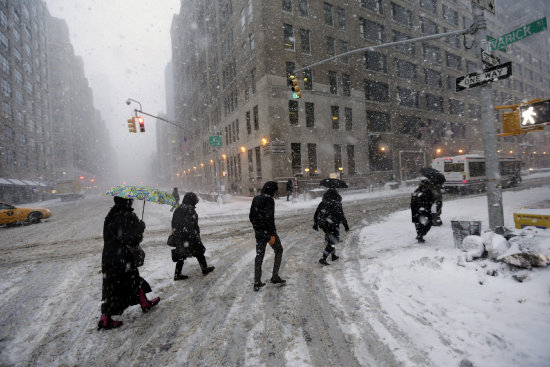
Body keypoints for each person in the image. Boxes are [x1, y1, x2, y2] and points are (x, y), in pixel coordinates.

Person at [98, 196, 160, 330]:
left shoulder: (112, 215)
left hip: (110, 257)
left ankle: (145, 303)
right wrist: (140, 228)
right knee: (118, 287)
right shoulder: (123, 216)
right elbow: (130, 239)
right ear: (126, 202)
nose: (132, 201)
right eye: (130, 200)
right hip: (121, 258)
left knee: (126, 282)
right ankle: (105, 320)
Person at [249, 181, 286, 291]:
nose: (275, 192)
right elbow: (269, 218)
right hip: (269, 233)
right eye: (275, 190)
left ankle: (257, 281)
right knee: (279, 250)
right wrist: (271, 233)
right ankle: (275, 276)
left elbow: (251, 216)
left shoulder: (256, 198)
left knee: (259, 255)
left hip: (259, 233)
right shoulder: (269, 200)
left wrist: (258, 229)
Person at [171, 192, 215, 280]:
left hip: (180, 237)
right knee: (199, 253)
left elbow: (173, 223)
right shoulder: (190, 209)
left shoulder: (178, 208)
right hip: (190, 237)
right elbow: (190, 225)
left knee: (181, 256)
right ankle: (204, 269)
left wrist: (177, 233)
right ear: (192, 200)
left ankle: (177, 274)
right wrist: (193, 236)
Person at [313, 188, 349, 265]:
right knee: (333, 240)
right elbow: (341, 215)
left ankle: (333, 256)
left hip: (323, 224)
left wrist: (315, 223)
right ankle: (323, 258)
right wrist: (346, 225)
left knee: (330, 239)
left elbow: (316, 213)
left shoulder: (323, 202)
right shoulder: (336, 203)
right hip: (332, 223)